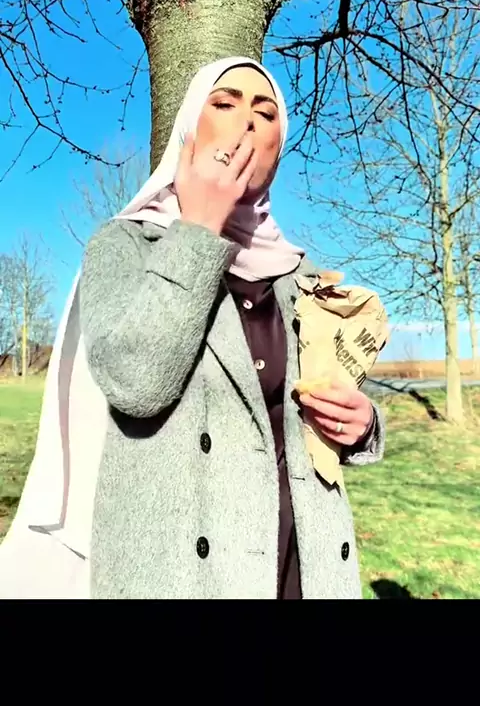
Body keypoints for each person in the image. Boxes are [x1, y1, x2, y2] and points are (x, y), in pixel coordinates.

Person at [0, 56, 385, 600]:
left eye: (266, 114)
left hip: (303, 568)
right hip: (184, 578)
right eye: (224, 104)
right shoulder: (124, 245)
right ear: (187, 130)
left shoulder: (300, 275)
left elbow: (302, 418)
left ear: (279, 147)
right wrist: (201, 225)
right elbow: (137, 383)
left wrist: (363, 425)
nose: (246, 122)